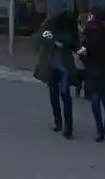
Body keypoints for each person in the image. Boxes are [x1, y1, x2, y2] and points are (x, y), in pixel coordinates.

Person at [34, 10, 79, 140]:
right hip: (52, 64)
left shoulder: (71, 27)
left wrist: (80, 51)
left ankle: (68, 126)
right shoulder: (50, 25)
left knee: (65, 94)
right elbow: (41, 37)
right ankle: (58, 121)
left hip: (64, 66)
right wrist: (54, 42)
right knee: (54, 94)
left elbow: (76, 44)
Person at [79, 7, 105, 142]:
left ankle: (100, 129)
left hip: (92, 71)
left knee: (95, 101)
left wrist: (84, 59)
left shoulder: (89, 33)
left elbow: (83, 53)